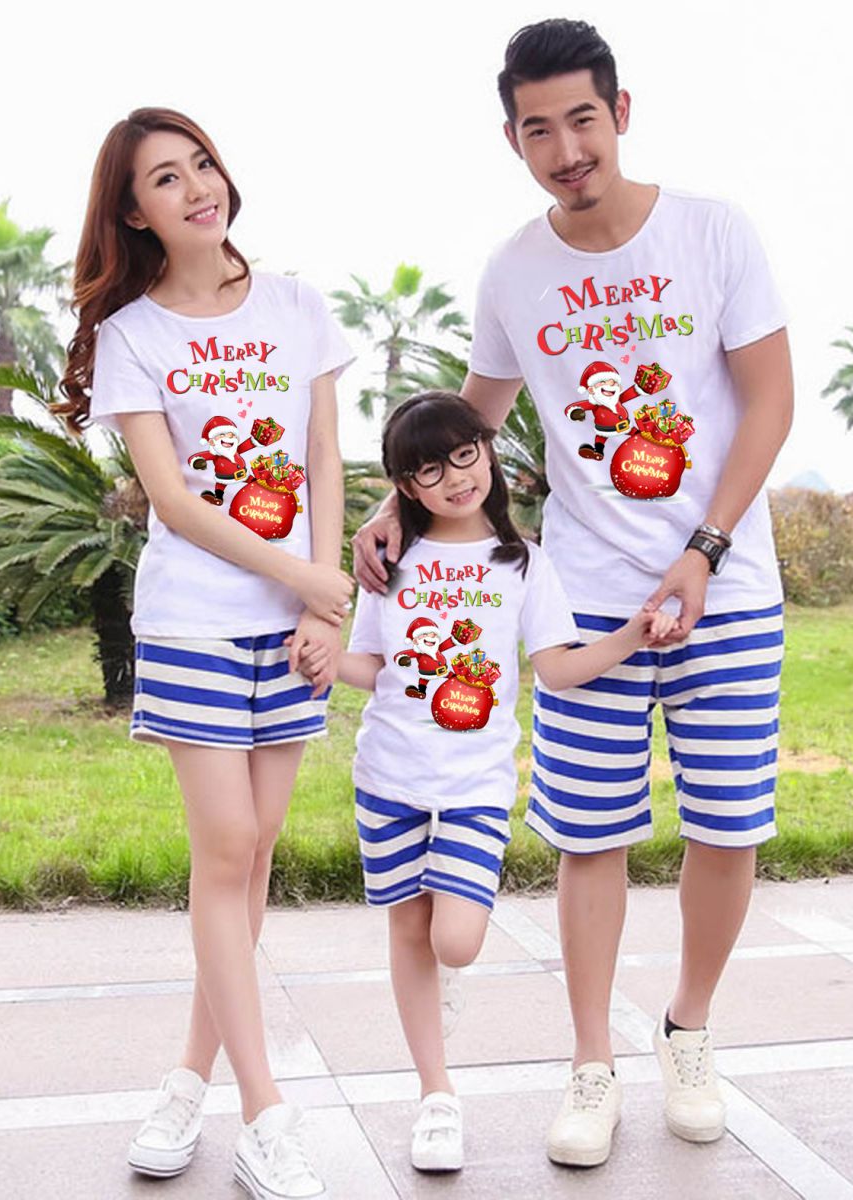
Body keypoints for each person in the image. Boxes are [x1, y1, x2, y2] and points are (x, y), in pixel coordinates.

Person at [352, 19, 793, 1169]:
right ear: (513, 139)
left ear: (621, 112)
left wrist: (703, 551)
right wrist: (397, 505)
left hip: (728, 587)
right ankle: (590, 1063)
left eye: (583, 120)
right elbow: (477, 415)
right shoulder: (515, 270)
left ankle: (687, 1029)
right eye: (538, 129)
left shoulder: (714, 232)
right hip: (586, 595)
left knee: (728, 825)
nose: (566, 150)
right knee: (590, 837)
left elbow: (771, 403)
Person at [57, 107, 353, 1200]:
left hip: (294, 626)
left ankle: (187, 1079)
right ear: (134, 211)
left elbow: (323, 458)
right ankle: (266, 1113)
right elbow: (174, 501)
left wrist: (324, 602)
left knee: (255, 853)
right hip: (194, 623)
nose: (196, 189)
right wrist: (305, 579)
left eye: (202, 165)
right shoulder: (133, 333)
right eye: (166, 179)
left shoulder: (296, 306)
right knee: (226, 847)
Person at [301, 391, 674, 1173]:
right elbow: (375, 665)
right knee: (409, 931)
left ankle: (445, 980)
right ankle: (437, 1095)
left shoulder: (523, 563)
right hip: (388, 776)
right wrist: (329, 664)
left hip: (474, 785)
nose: (454, 478)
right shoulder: (390, 564)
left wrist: (628, 639)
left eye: (464, 455)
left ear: (488, 451)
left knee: (456, 942)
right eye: (428, 470)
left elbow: (557, 669)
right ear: (405, 486)